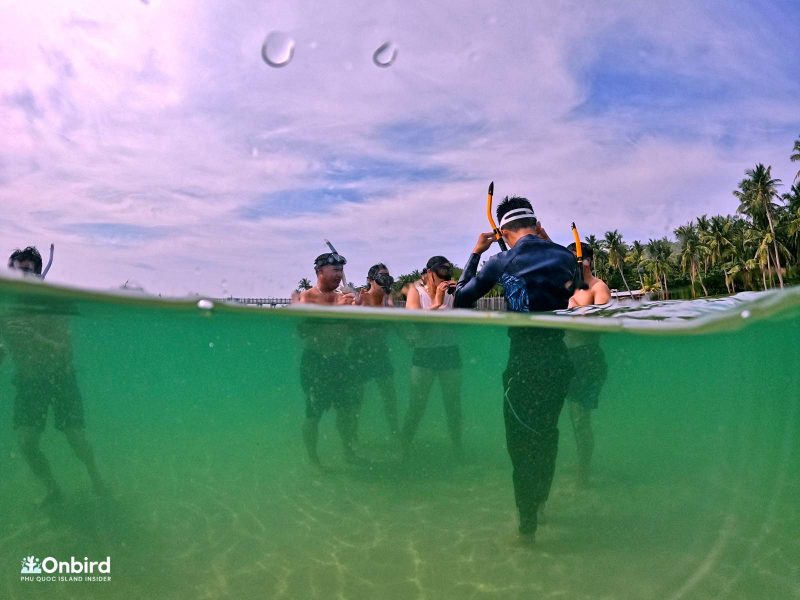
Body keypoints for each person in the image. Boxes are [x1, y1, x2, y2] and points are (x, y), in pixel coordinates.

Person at [454, 197, 577, 544]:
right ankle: (540, 502)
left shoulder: (501, 260)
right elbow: (568, 276)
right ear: (537, 225)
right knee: (548, 434)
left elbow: (461, 300)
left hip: (523, 363)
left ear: (503, 232)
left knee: (521, 445)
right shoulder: (565, 257)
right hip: (558, 362)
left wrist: (477, 252)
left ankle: (527, 526)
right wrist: (546, 239)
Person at [4, 247, 107, 505]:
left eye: (26, 270)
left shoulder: (54, 305)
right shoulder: (6, 309)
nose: (20, 276)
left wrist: (35, 336)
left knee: (76, 439)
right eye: (15, 271)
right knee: (27, 443)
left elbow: (63, 350)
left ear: (38, 273)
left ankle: (96, 478)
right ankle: (53, 490)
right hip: (28, 382)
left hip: (61, 379)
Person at [296, 252, 362, 467]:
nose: (339, 274)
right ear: (319, 272)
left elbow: (352, 331)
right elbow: (304, 331)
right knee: (313, 413)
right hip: (315, 362)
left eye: (341, 270)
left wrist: (357, 310)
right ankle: (313, 459)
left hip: (340, 361)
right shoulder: (307, 297)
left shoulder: (342, 296)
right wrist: (337, 309)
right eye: (335, 269)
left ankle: (347, 452)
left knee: (346, 411)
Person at [401, 256, 463, 460]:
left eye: (448, 273)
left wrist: (457, 292)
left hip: (449, 351)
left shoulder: (453, 292)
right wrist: (436, 302)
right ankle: (404, 447)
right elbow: (417, 322)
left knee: (453, 404)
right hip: (424, 353)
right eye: (440, 274)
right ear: (429, 273)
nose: (444, 278)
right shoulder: (415, 291)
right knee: (417, 405)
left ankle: (458, 449)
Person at [565, 243, 610, 488]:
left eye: (577, 260)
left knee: (580, 419)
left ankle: (584, 471)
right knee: (572, 418)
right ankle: (582, 462)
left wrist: (585, 317)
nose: (573, 264)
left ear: (588, 261)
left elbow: (601, 326)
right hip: (566, 358)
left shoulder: (598, 287)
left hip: (587, 359)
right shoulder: (565, 287)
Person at [349, 264, 400, 437]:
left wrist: (410, 339)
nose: (385, 280)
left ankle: (395, 434)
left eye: (388, 276)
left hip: (380, 354)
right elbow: (349, 328)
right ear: (371, 280)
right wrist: (356, 309)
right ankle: (352, 437)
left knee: (390, 398)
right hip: (359, 355)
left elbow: (397, 326)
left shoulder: (388, 300)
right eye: (381, 277)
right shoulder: (361, 299)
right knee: (356, 400)